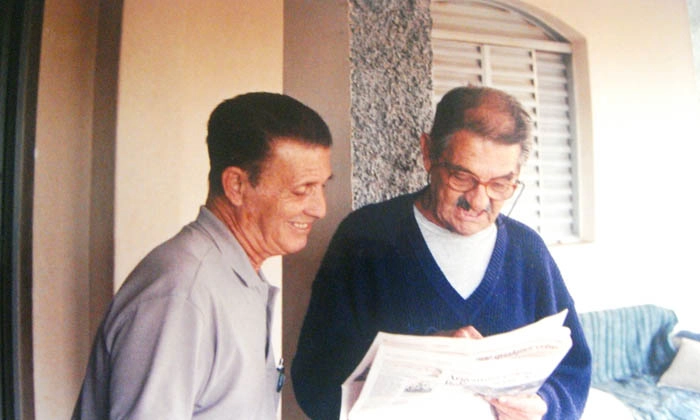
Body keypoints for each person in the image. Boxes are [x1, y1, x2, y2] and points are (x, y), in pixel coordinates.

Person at [292, 86, 591, 420]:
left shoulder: (528, 251)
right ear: (428, 153)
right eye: (462, 177)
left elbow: (574, 370)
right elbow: (313, 378)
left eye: (499, 185)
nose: (478, 201)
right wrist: (424, 356)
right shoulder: (366, 238)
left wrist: (545, 406)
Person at [72, 92, 333, 419]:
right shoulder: (182, 293)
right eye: (301, 190)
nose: (320, 208)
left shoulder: (232, 274)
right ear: (236, 186)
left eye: (323, 186)